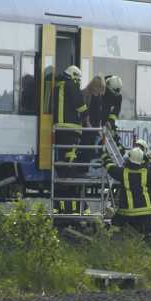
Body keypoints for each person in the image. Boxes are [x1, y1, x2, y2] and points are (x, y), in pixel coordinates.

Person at [54, 66, 88, 213]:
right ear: (73, 76)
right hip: (71, 130)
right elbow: (81, 107)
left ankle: (60, 205)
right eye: (78, 79)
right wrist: (88, 115)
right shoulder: (72, 86)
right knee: (70, 163)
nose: (79, 82)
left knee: (63, 162)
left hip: (59, 130)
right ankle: (77, 204)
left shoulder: (57, 86)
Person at [103, 147, 151, 235]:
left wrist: (105, 157)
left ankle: (113, 242)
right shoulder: (146, 172)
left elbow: (110, 168)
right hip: (146, 212)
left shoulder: (124, 172)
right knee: (145, 236)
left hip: (128, 211)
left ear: (129, 159)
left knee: (115, 224)